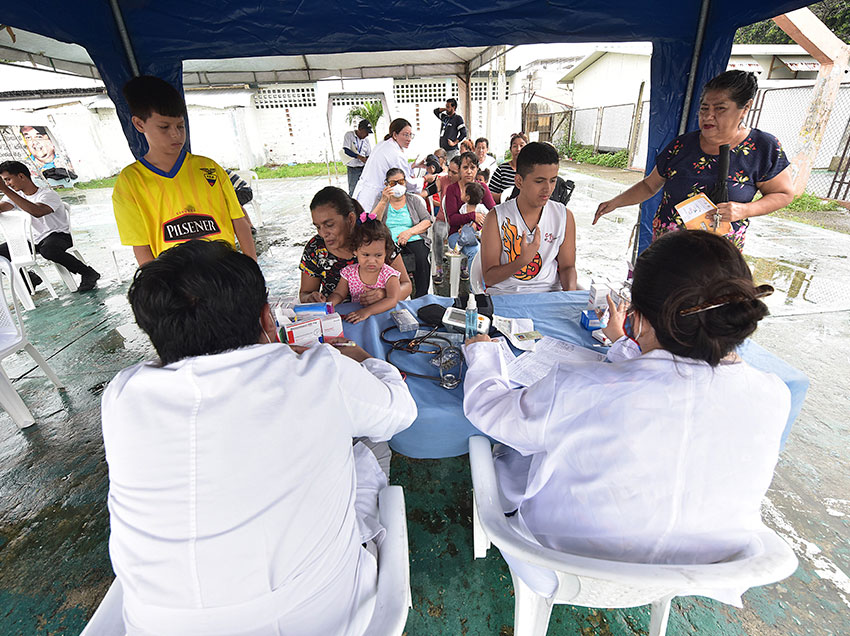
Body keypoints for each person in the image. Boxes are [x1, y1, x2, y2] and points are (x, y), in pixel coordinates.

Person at [102, 239, 416, 636]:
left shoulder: (122, 395)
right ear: (269, 319)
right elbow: (401, 413)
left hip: (155, 625)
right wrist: (359, 357)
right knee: (372, 439)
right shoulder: (317, 372)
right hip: (323, 619)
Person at [463, 229, 789, 602]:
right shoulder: (773, 395)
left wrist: (483, 355)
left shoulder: (582, 388)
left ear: (641, 319)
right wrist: (624, 344)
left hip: (563, 563)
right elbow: (674, 386)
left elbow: (490, 410)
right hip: (697, 573)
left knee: (511, 455)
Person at [594, 70, 793, 251]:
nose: (708, 116)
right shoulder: (681, 146)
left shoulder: (762, 148)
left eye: (720, 109)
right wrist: (615, 203)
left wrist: (744, 210)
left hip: (717, 253)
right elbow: (649, 186)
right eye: (704, 108)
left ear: (745, 108)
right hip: (668, 248)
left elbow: (783, 194)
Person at [111, 75, 256, 266]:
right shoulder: (130, 182)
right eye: (164, 127)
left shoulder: (209, 168)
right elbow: (141, 246)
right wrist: (155, 288)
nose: (176, 134)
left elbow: (239, 222)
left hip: (225, 277)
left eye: (180, 125)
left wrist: (252, 268)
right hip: (177, 282)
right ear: (139, 124)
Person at [479, 142, 577, 294]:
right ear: (519, 181)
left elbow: (567, 267)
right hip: (506, 295)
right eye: (539, 181)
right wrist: (522, 261)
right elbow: (489, 278)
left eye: (553, 180)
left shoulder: (564, 216)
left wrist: (570, 296)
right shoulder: (496, 218)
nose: (548, 188)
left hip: (548, 296)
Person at [0, 160, 101, 292]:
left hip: (57, 235)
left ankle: (87, 272)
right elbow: (3, 207)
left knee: (48, 250)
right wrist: (7, 192)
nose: (7, 184)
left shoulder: (48, 194)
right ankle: (29, 278)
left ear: (21, 176)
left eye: (8, 179)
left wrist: (5, 189)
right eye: (4, 181)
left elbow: (37, 212)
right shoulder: (16, 195)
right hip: (33, 239)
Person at [300, 186, 413, 302]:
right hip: (335, 315)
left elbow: (406, 285)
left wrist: (385, 295)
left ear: (350, 219)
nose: (323, 233)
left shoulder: (376, 239)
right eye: (318, 227)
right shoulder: (315, 248)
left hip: (379, 311)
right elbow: (304, 293)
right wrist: (310, 298)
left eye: (329, 225)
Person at [327, 214, 402, 322]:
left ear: (386, 253)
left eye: (378, 255)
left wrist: (367, 311)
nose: (372, 261)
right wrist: (328, 305)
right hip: (357, 318)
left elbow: (392, 300)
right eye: (366, 255)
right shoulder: (349, 273)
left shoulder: (389, 275)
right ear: (355, 251)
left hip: (384, 319)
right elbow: (339, 294)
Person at [371, 168, 433, 298]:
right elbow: (373, 223)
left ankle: (422, 297)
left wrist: (409, 232)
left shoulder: (413, 200)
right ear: (386, 184)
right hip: (389, 240)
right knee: (387, 260)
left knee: (421, 258)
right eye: (393, 183)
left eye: (401, 182)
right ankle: (394, 296)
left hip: (413, 237)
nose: (398, 186)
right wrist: (383, 201)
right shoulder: (381, 199)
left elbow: (427, 221)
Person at [353, 118, 424, 214]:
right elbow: (406, 182)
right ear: (395, 135)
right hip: (373, 197)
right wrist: (424, 179)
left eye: (411, 135)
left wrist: (413, 166)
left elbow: (393, 168)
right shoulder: (395, 153)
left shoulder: (384, 144)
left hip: (365, 193)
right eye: (405, 135)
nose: (409, 139)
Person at [445, 151, 496, 279]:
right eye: (465, 167)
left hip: (480, 233)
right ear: (460, 169)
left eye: (472, 167)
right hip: (457, 235)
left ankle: (488, 288)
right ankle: (477, 291)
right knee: (476, 250)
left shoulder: (482, 187)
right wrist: (473, 216)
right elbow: (452, 219)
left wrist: (477, 225)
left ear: (477, 169)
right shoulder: (453, 189)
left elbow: (493, 212)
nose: (469, 171)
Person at [432, 156, 460, 285]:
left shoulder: (466, 183)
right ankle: (439, 266)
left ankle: (463, 265)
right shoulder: (443, 180)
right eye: (449, 170)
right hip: (443, 219)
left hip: (459, 220)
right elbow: (431, 190)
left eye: (454, 172)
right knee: (437, 233)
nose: (449, 174)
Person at [489, 133, 528, 203]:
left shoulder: (531, 170)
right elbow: (489, 194)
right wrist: (504, 196)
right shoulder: (501, 170)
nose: (518, 149)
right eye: (515, 146)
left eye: (521, 145)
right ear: (510, 149)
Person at [342, 119, 373, 196]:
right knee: (353, 190)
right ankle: (352, 206)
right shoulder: (349, 135)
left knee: (364, 189)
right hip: (353, 168)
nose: (367, 135)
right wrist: (358, 157)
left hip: (363, 168)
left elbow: (368, 154)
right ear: (360, 129)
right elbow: (346, 150)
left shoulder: (366, 141)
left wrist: (367, 159)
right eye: (366, 132)